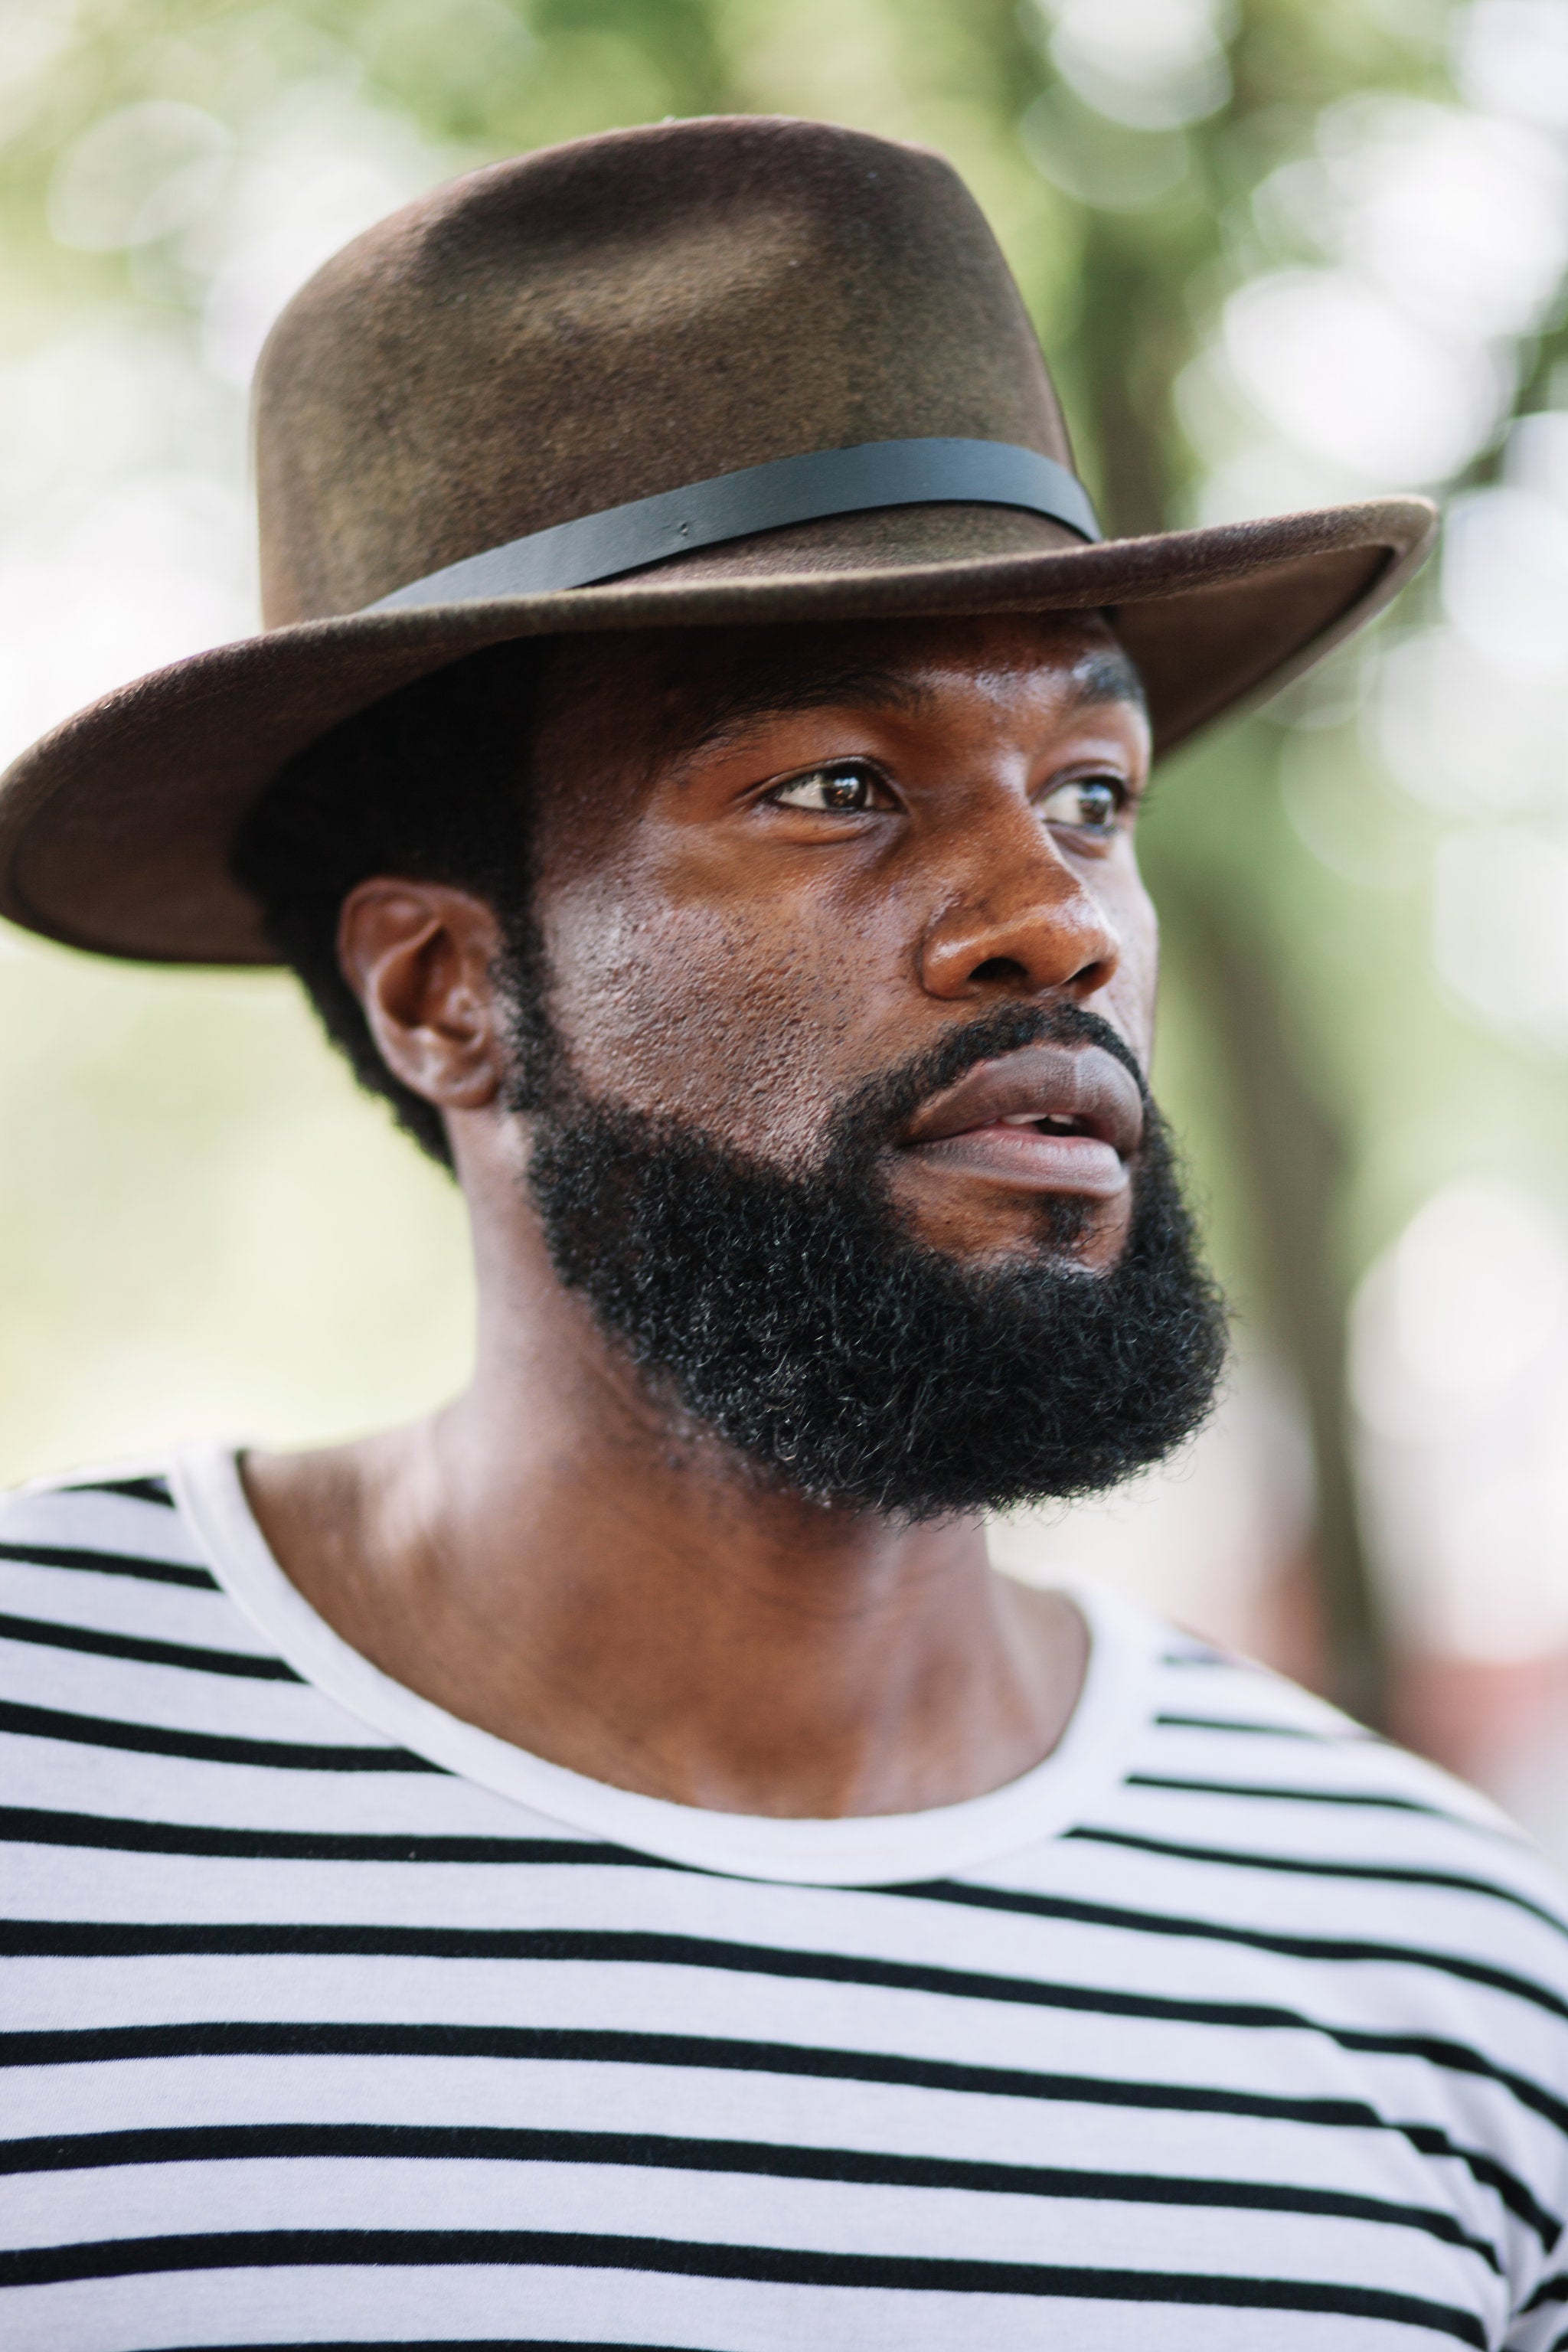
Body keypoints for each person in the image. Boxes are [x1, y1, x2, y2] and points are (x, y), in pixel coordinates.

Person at [1, 114, 1563, 2352]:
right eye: (835, 786)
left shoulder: (1442, 1977)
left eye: (1092, 792)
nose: (1055, 924)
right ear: (451, 991)